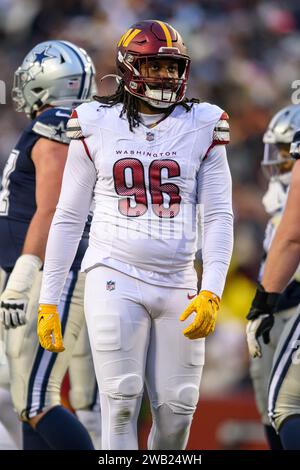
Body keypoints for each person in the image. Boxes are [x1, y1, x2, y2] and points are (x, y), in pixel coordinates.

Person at [38, 20, 233, 450]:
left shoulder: (203, 121)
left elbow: (219, 215)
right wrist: (48, 298)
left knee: (178, 410)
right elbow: (69, 215)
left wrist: (213, 289)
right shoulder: (94, 121)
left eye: (171, 67)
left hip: (180, 279)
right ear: (129, 67)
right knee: (122, 398)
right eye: (155, 66)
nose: (165, 76)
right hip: (114, 272)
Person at [0, 40, 99, 450]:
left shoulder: (58, 122)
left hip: (53, 273)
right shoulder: (64, 122)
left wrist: (23, 274)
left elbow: (53, 207)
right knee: (28, 398)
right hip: (47, 270)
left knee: (38, 398)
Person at [246, 105, 300, 450]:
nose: (280, 161)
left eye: (287, 152)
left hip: (288, 308)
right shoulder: (277, 199)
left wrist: (262, 305)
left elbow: (292, 239)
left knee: (286, 404)